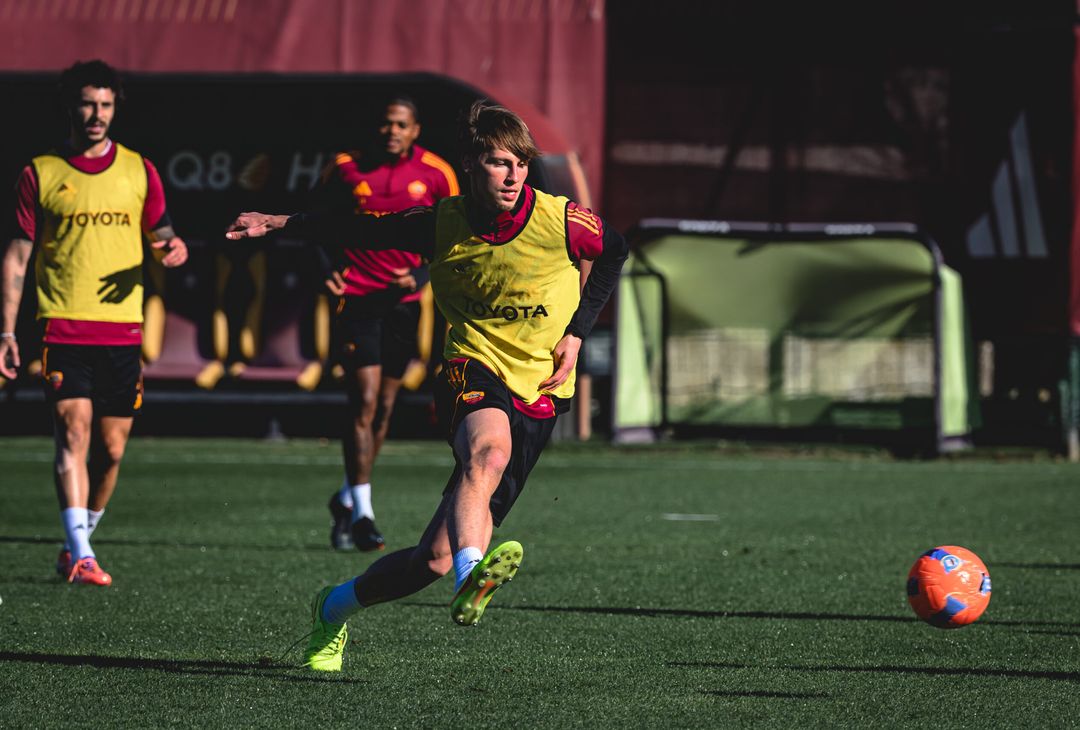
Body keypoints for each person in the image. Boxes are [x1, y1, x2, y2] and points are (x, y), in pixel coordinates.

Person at [227, 100, 627, 672]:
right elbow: (358, 227)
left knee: (429, 560)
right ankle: (472, 577)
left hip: (541, 388)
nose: (513, 175)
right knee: (487, 453)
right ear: (470, 165)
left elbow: (614, 251)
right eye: (498, 162)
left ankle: (333, 607)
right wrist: (276, 222)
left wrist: (577, 333)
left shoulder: (562, 219)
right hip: (472, 367)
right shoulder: (441, 223)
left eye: (520, 163)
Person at [0, 60, 188, 586]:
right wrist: (8, 331)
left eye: (105, 104)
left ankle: (76, 541)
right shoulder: (40, 172)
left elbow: (163, 237)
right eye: (87, 103)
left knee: (111, 451)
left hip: (122, 330)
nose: (97, 114)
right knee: (73, 432)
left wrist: (173, 250)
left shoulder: (139, 170)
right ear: (70, 106)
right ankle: (83, 554)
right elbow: (17, 257)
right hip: (63, 326)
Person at [314, 96, 459, 553]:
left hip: (404, 304)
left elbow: (454, 235)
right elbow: (314, 222)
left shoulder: (436, 173)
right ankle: (363, 513)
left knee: (383, 409)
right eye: (386, 123)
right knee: (364, 399)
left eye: (401, 124)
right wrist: (326, 267)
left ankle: (346, 497)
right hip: (357, 299)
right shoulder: (345, 168)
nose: (392, 131)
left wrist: (420, 274)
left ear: (415, 130)